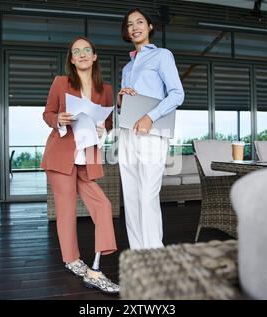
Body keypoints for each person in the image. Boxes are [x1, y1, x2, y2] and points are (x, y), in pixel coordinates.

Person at [40, 36, 119, 293]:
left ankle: (95, 268)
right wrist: (59, 119)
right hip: (61, 155)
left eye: (87, 50)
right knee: (66, 210)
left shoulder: (105, 89)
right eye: (77, 51)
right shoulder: (60, 83)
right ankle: (72, 260)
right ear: (72, 59)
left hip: (87, 158)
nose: (82, 54)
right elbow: (47, 113)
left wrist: (102, 128)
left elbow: (107, 124)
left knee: (104, 205)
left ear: (94, 56)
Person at [117, 8, 185, 249]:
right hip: (127, 133)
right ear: (126, 31)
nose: (134, 27)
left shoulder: (162, 56)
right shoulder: (127, 68)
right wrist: (120, 100)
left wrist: (150, 116)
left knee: (147, 197)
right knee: (132, 198)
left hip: (153, 132)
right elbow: (125, 106)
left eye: (140, 22)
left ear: (149, 27)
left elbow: (177, 94)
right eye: (130, 24)